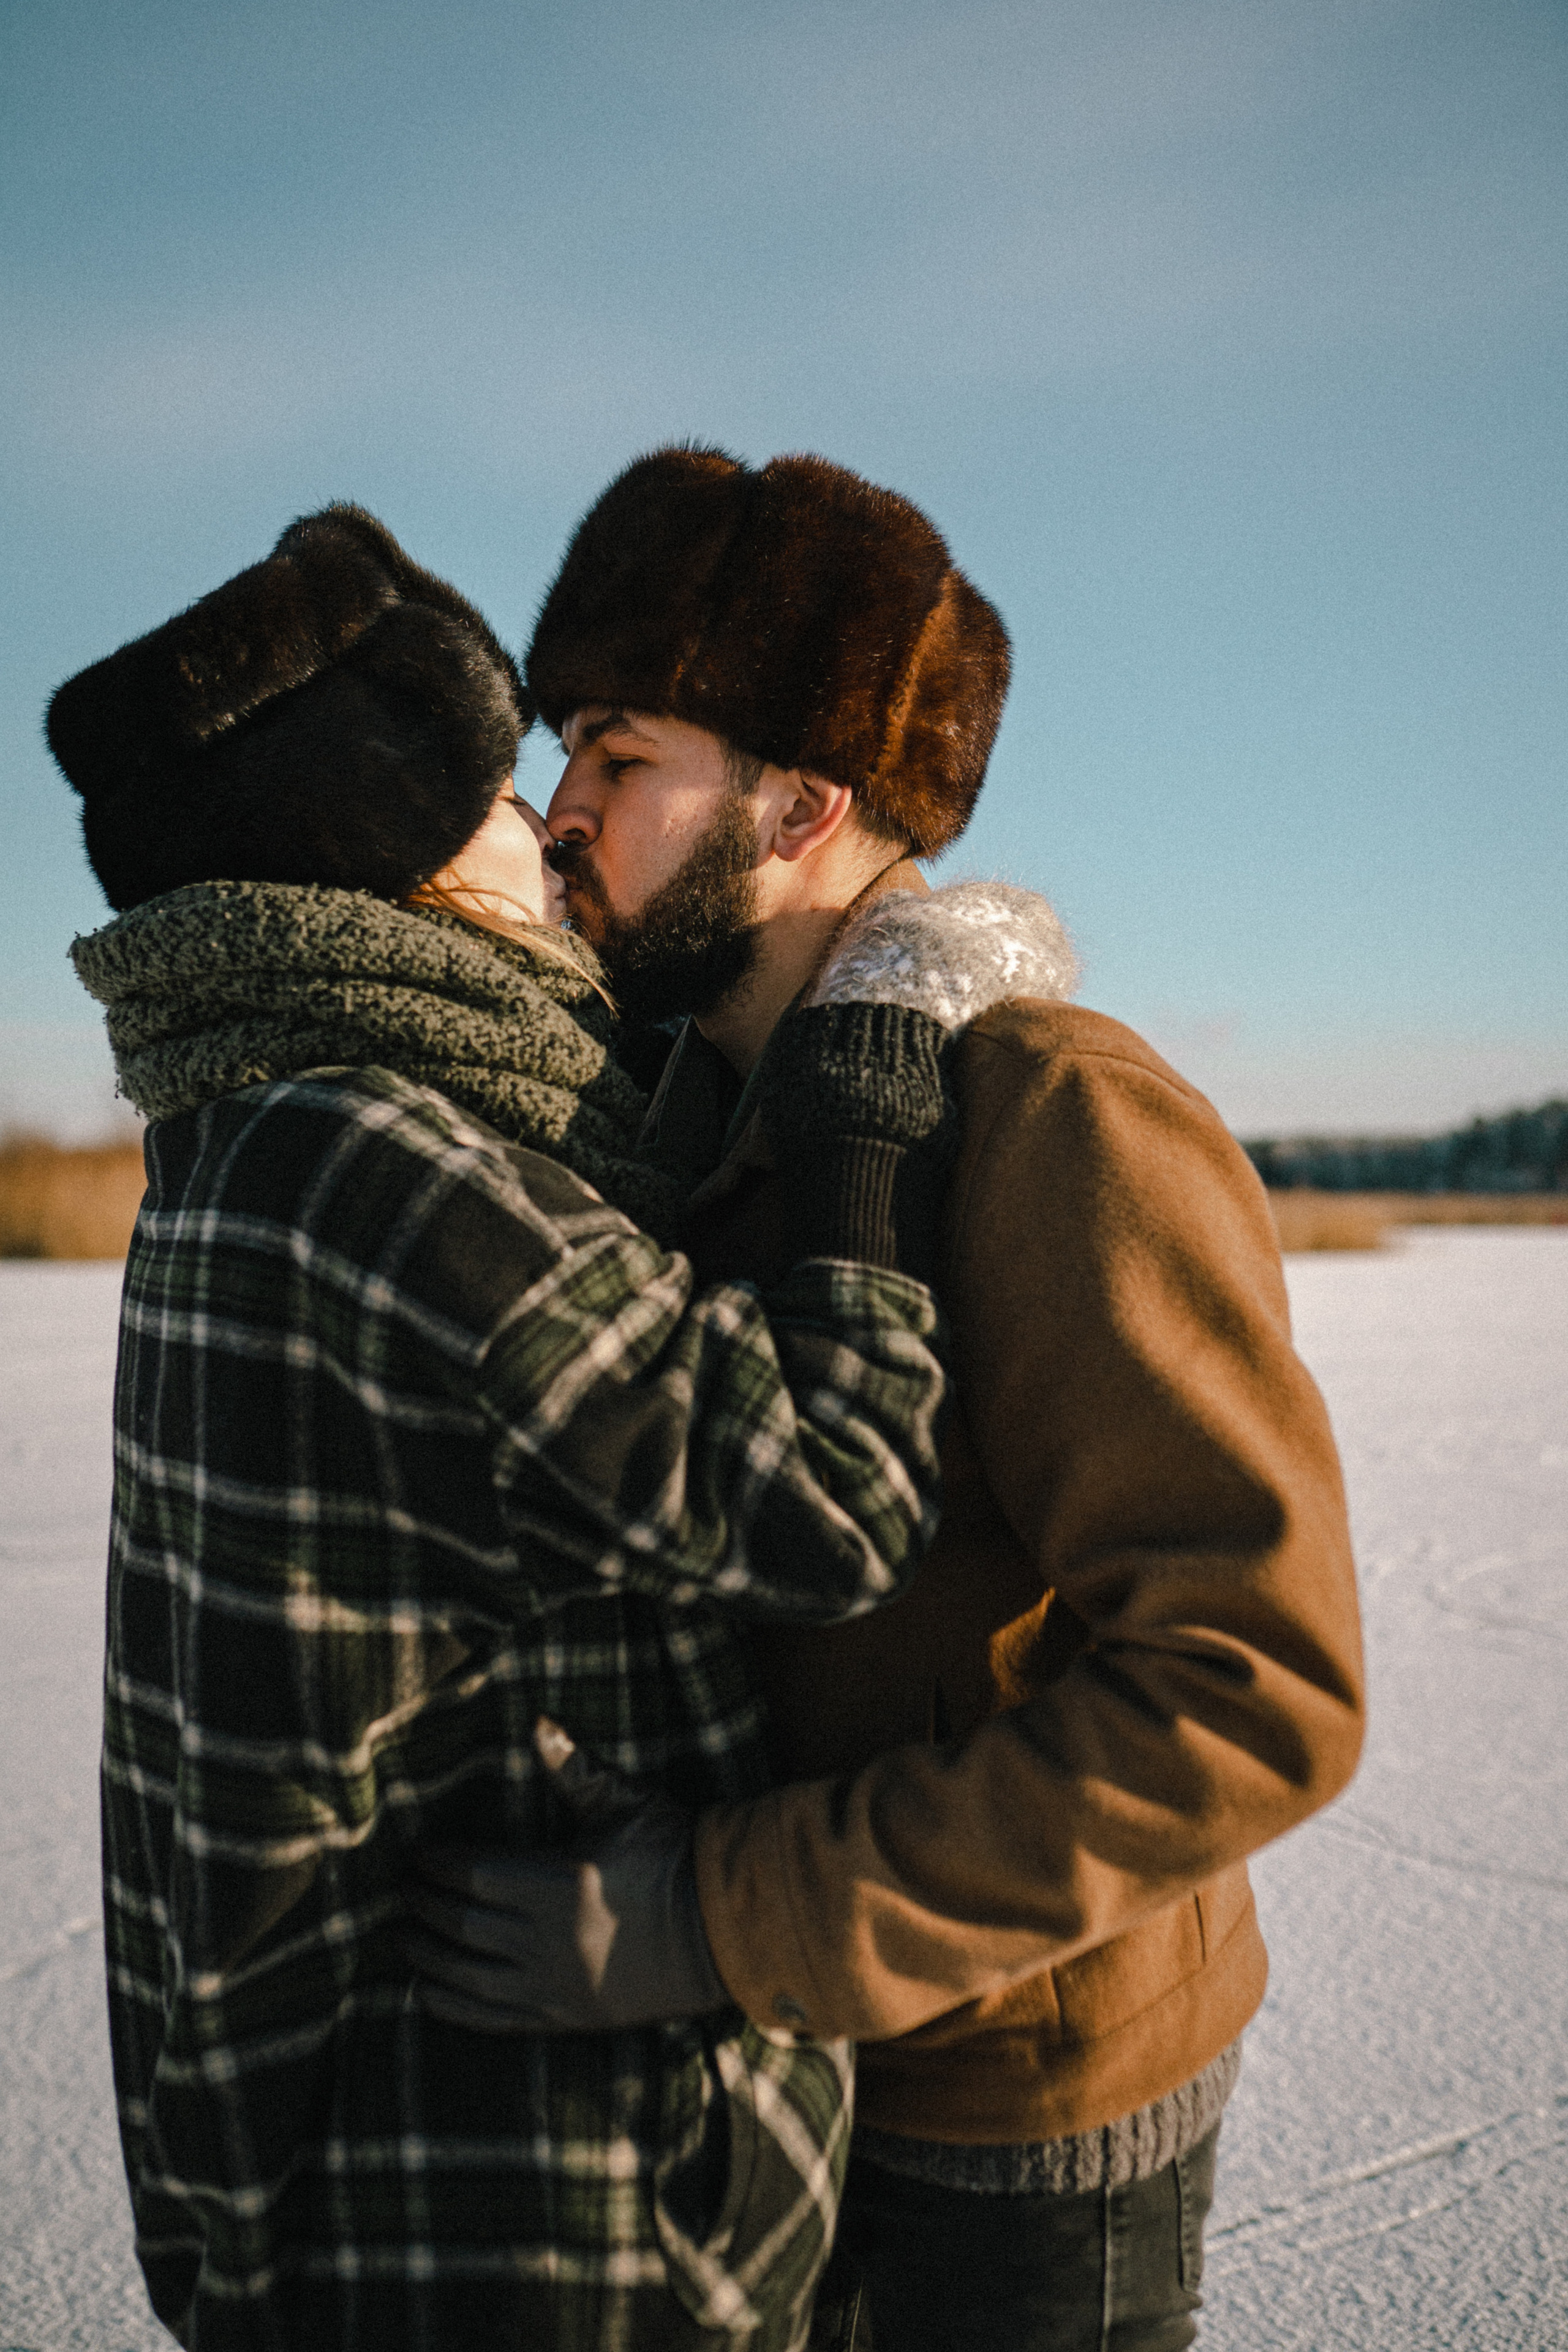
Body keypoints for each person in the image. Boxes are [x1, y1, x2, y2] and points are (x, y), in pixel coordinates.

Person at [411, 448, 1366, 2351]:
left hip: (1017, 2120)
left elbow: (1253, 1694)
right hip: (777, 2085)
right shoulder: (694, 1125)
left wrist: (712, 1920)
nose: (560, 805)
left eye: (618, 753)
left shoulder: (1053, 1115)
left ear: (802, 800)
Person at [47, 501, 960, 2352]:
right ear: (390, 859)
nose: (547, 823)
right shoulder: (369, 1159)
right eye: (495, 788)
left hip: (397, 2172)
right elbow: (826, 1501)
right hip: (527, 2213)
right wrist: (864, 1118)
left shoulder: (246, 1132)